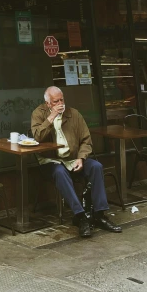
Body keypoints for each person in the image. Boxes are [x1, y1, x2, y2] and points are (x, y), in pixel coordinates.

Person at [31, 86, 122, 238]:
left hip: (73, 158)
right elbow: (37, 137)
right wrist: (51, 117)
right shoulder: (38, 114)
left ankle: (100, 215)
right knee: (60, 172)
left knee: (96, 167)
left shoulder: (73, 114)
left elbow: (86, 140)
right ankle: (80, 217)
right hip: (51, 161)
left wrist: (81, 158)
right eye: (56, 101)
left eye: (62, 99)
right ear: (48, 104)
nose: (60, 103)